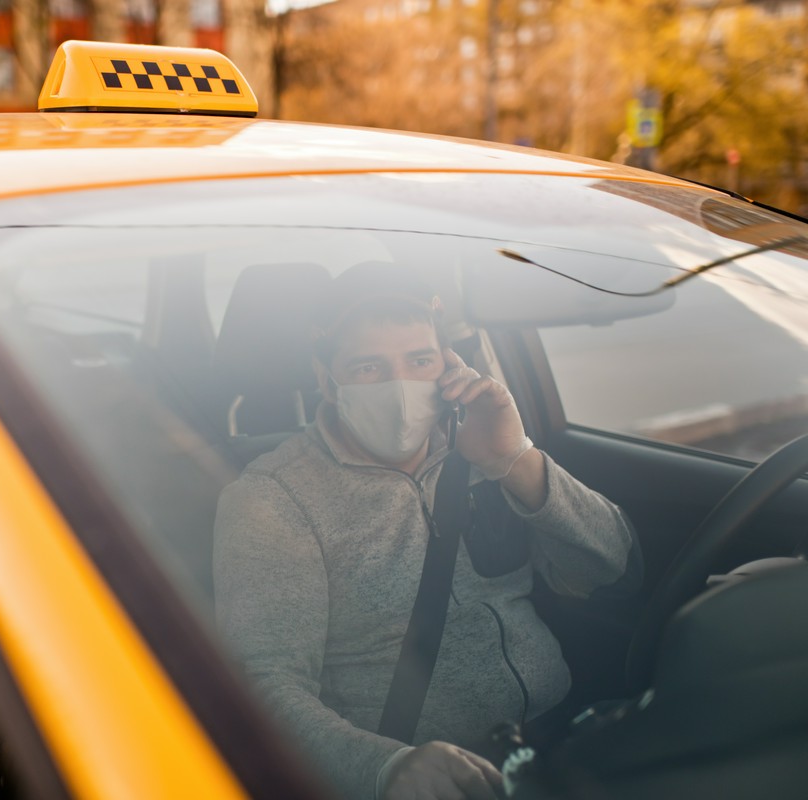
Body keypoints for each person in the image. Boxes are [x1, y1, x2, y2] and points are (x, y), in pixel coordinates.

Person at [213, 262, 638, 800]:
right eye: (369, 367)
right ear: (326, 377)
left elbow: (611, 570)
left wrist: (515, 458)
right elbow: (262, 688)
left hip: (566, 743)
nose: (400, 387)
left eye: (419, 361)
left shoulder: (484, 443)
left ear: (448, 365)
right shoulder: (273, 497)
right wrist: (387, 769)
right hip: (430, 784)